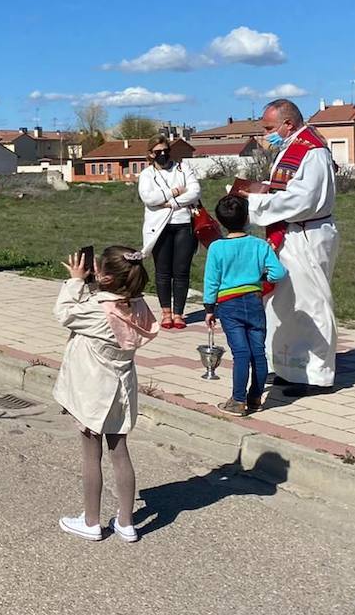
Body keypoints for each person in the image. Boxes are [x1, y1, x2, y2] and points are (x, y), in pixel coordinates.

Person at [52, 246, 157, 544]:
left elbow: (64, 313)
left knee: (91, 454)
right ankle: (126, 522)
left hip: (93, 391)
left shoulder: (97, 309)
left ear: (106, 277)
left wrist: (76, 281)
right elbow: (107, 301)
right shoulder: (137, 306)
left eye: (99, 269)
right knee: (119, 452)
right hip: (122, 388)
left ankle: (91, 522)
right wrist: (96, 286)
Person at [241, 98, 340, 395]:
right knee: (285, 302)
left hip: (306, 233)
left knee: (311, 302)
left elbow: (303, 200)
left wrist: (255, 202)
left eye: (269, 128)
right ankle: (290, 368)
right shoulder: (290, 147)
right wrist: (259, 189)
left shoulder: (312, 151)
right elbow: (285, 189)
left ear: (288, 123)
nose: (266, 134)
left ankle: (317, 374)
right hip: (287, 233)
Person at [203, 195, 288, 416]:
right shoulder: (260, 245)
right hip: (254, 301)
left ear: (220, 221)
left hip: (228, 304)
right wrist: (262, 277)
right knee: (258, 352)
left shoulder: (216, 247)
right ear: (247, 218)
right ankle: (255, 397)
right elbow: (279, 273)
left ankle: (237, 400)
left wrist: (209, 309)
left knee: (241, 352)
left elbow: (211, 281)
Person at [137, 137, 202, 330]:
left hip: (184, 224)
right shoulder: (147, 174)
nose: (163, 154)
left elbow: (195, 191)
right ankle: (166, 313)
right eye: (158, 152)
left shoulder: (182, 169)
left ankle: (178, 313)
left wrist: (170, 203)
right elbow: (149, 198)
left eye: (166, 150)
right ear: (151, 154)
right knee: (163, 271)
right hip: (159, 227)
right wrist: (174, 191)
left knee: (181, 271)